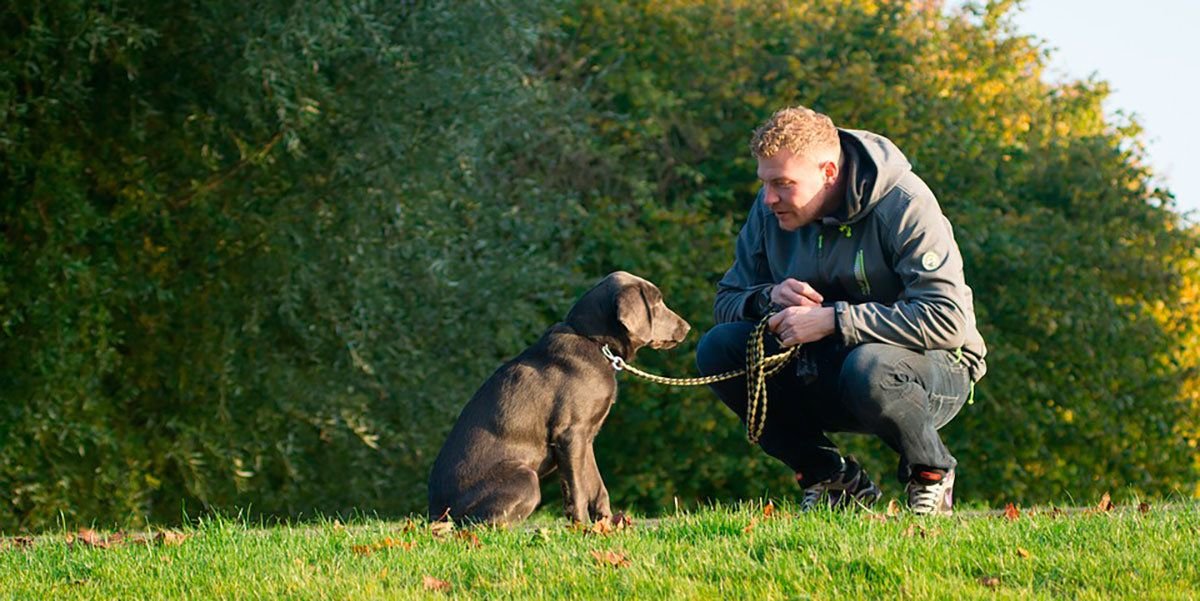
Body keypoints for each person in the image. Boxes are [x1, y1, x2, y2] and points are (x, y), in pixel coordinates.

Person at [696, 106, 987, 515]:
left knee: (869, 366)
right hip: (824, 369)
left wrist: (834, 320)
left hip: (928, 371)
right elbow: (726, 302)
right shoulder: (768, 212)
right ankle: (832, 479)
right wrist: (770, 297)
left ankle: (931, 474)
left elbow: (947, 320)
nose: (768, 198)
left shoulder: (904, 204)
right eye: (764, 183)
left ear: (828, 172)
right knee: (718, 348)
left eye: (783, 184)